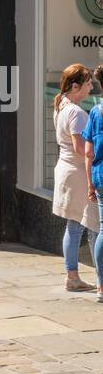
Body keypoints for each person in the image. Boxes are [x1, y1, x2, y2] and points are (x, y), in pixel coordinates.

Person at [52, 64, 97, 291]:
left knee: (74, 225)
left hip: (66, 169)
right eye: (88, 83)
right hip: (78, 173)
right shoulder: (76, 112)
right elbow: (81, 149)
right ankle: (85, 278)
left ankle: (72, 276)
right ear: (76, 85)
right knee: (87, 226)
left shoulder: (62, 105)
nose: (91, 87)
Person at [82, 85, 103, 303]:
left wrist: (90, 183)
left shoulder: (96, 112)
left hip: (100, 176)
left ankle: (101, 285)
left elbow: (88, 152)